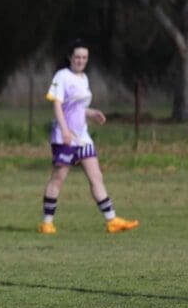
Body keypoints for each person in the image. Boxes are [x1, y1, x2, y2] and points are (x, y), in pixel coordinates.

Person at [38, 40, 139, 235]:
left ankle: (112, 220)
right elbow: (58, 105)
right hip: (65, 137)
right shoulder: (62, 76)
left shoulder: (84, 78)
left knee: (96, 176)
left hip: (82, 137)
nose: (81, 60)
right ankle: (47, 223)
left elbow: (77, 107)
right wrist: (65, 130)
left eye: (84, 57)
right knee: (58, 178)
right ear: (70, 57)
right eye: (77, 57)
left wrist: (91, 113)